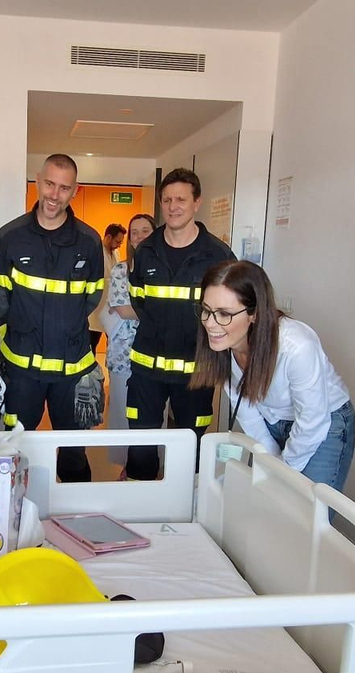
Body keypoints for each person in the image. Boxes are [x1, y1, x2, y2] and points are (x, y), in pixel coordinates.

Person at [0, 154, 103, 482]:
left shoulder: (89, 242)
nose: (54, 195)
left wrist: (65, 326)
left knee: (73, 449)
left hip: (71, 367)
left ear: (74, 191)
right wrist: (20, 330)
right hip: (22, 368)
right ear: (38, 181)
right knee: (15, 444)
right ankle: (15, 520)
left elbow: (92, 296)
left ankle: (77, 517)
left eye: (64, 188)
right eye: (50, 184)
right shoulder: (10, 236)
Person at [191, 260, 355, 492]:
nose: (210, 323)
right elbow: (247, 411)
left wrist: (282, 470)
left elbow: (312, 421)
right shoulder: (222, 346)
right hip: (271, 420)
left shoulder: (296, 346)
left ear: (254, 314)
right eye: (206, 311)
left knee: (304, 512)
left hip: (323, 423)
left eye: (224, 314)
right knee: (267, 499)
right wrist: (271, 461)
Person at [124, 168, 234, 481]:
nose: (173, 206)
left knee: (191, 450)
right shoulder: (145, 251)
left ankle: (186, 519)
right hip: (148, 371)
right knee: (141, 446)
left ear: (196, 202)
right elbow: (140, 301)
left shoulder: (218, 255)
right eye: (167, 200)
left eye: (181, 199)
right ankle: (140, 511)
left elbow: (229, 310)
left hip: (196, 373)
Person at [101, 214, 153, 470]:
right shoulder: (122, 269)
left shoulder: (163, 269)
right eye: (135, 232)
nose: (140, 236)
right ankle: (125, 467)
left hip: (156, 355)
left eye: (146, 230)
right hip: (124, 352)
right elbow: (122, 309)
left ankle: (147, 467)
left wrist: (147, 309)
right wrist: (160, 309)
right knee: (122, 412)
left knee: (150, 416)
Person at [90, 223, 126, 354]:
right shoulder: (95, 252)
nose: (119, 245)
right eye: (117, 241)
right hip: (95, 308)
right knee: (92, 343)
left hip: (111, 308)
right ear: (109, 237)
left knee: (113, 343)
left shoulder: (116, 253)